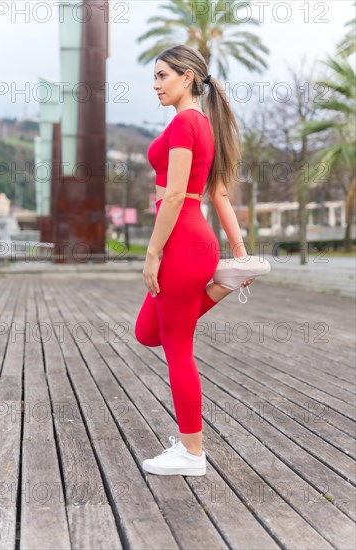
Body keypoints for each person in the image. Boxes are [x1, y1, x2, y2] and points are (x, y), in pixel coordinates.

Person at [134, 44, 255, 476]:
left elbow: (173, 194)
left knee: (178, 347)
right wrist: (238, 254)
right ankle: (223, 285)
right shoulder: (203, 124)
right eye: (155, 76)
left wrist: (152, 253)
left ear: (187, 78)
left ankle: (191, 452)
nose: (155, 84)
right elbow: (219, 194)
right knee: (149, 332)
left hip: (182, 243)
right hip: (195, 241)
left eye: (163, 75)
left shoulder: (187, 123)